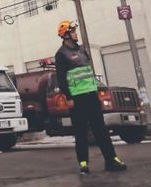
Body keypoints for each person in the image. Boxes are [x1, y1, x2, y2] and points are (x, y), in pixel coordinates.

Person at [54, 20, 128, 175]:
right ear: (66, 35)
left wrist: (96, 91)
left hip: (91, 97)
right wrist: (68, 97)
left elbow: (88, 73)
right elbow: (61, 79)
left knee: (101, 130)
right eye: (73, 31)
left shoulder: (82, 50)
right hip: (77, 98)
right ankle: (83, 163)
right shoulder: (61, 55)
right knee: (80, 132)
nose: (75, 33)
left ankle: (111, 160)